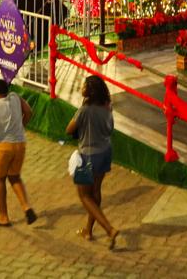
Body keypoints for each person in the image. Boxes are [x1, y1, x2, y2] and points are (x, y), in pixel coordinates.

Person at [66, 74, 118, 247]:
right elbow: (110, 129)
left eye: (84, 86)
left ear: (90, 90)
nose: (81, 88)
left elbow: (69, 129)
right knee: (96, 191)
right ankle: (88, 230)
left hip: (87, 155)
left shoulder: (84, 110)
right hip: (105, 152)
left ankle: (109, 228)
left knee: (84, 195)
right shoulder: (107, 108)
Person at [0, 79, 36, 227]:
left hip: (3, 146)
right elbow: (28, 112)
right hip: (20, 144)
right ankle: (26, 207)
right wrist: (21, 127)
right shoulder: (15, 96)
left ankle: (3, 217)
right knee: (14, 177)